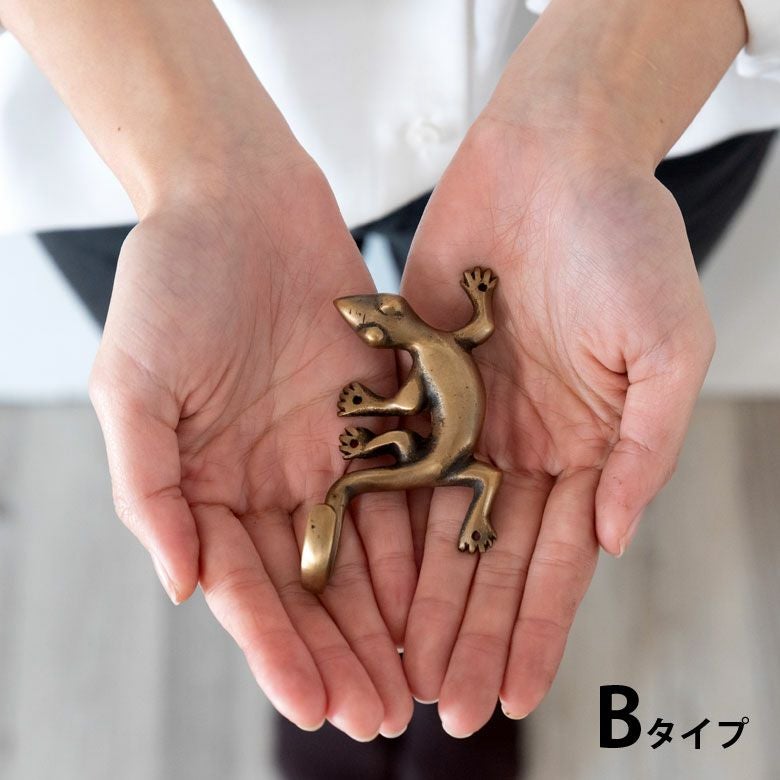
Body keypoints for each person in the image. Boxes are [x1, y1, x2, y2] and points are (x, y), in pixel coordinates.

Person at [0, 0, 778, 776]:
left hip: (651, 92)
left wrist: (595, 118)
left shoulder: (431, 352)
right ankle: (351, 655)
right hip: (130, 99)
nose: (379, 316)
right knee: (253, 468)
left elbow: (424, 391)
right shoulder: (439, 345)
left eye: (378, 320)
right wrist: (192, 172)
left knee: (473, 548)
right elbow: (443, 367)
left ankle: (424, 675)